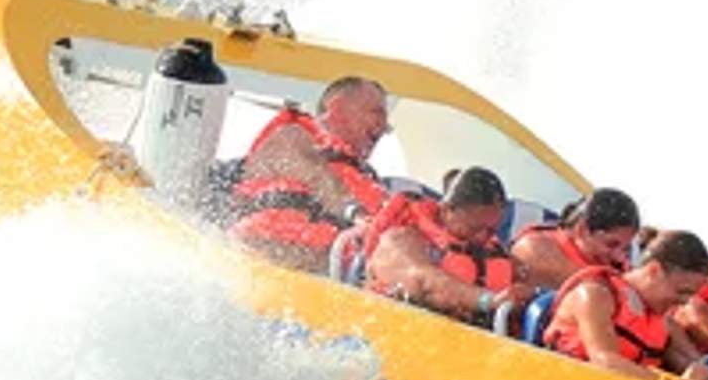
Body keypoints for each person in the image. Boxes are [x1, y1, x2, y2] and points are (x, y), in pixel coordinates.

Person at [227, 76, 391, 271]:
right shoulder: (291, 136)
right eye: (376, 113)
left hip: (340, 274)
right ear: (337, 108)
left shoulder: (367, 177)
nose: (384, 126)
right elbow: (315, 175)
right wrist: (357, 213)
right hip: (271, 261)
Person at [363, 165, 518, 321]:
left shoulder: (490, 249)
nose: (482, 238)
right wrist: (488, 301)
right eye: (475, 228)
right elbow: (423, 282)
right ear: (446, 210)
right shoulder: (399, 239)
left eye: (491, 230)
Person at [549, 228, 708, 378]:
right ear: (654, 271)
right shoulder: (595, 295)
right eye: (681, 292)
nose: (684, 302)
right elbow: (605, 362)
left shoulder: (665, 322)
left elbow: (692, 365)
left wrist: (700, 377)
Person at [512, 186, 643, 295]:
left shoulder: (619, 270)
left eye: (626, 249)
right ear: (582, 230)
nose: (620, 257)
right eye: (611, 244)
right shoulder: (535, 247)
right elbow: (595, 292)